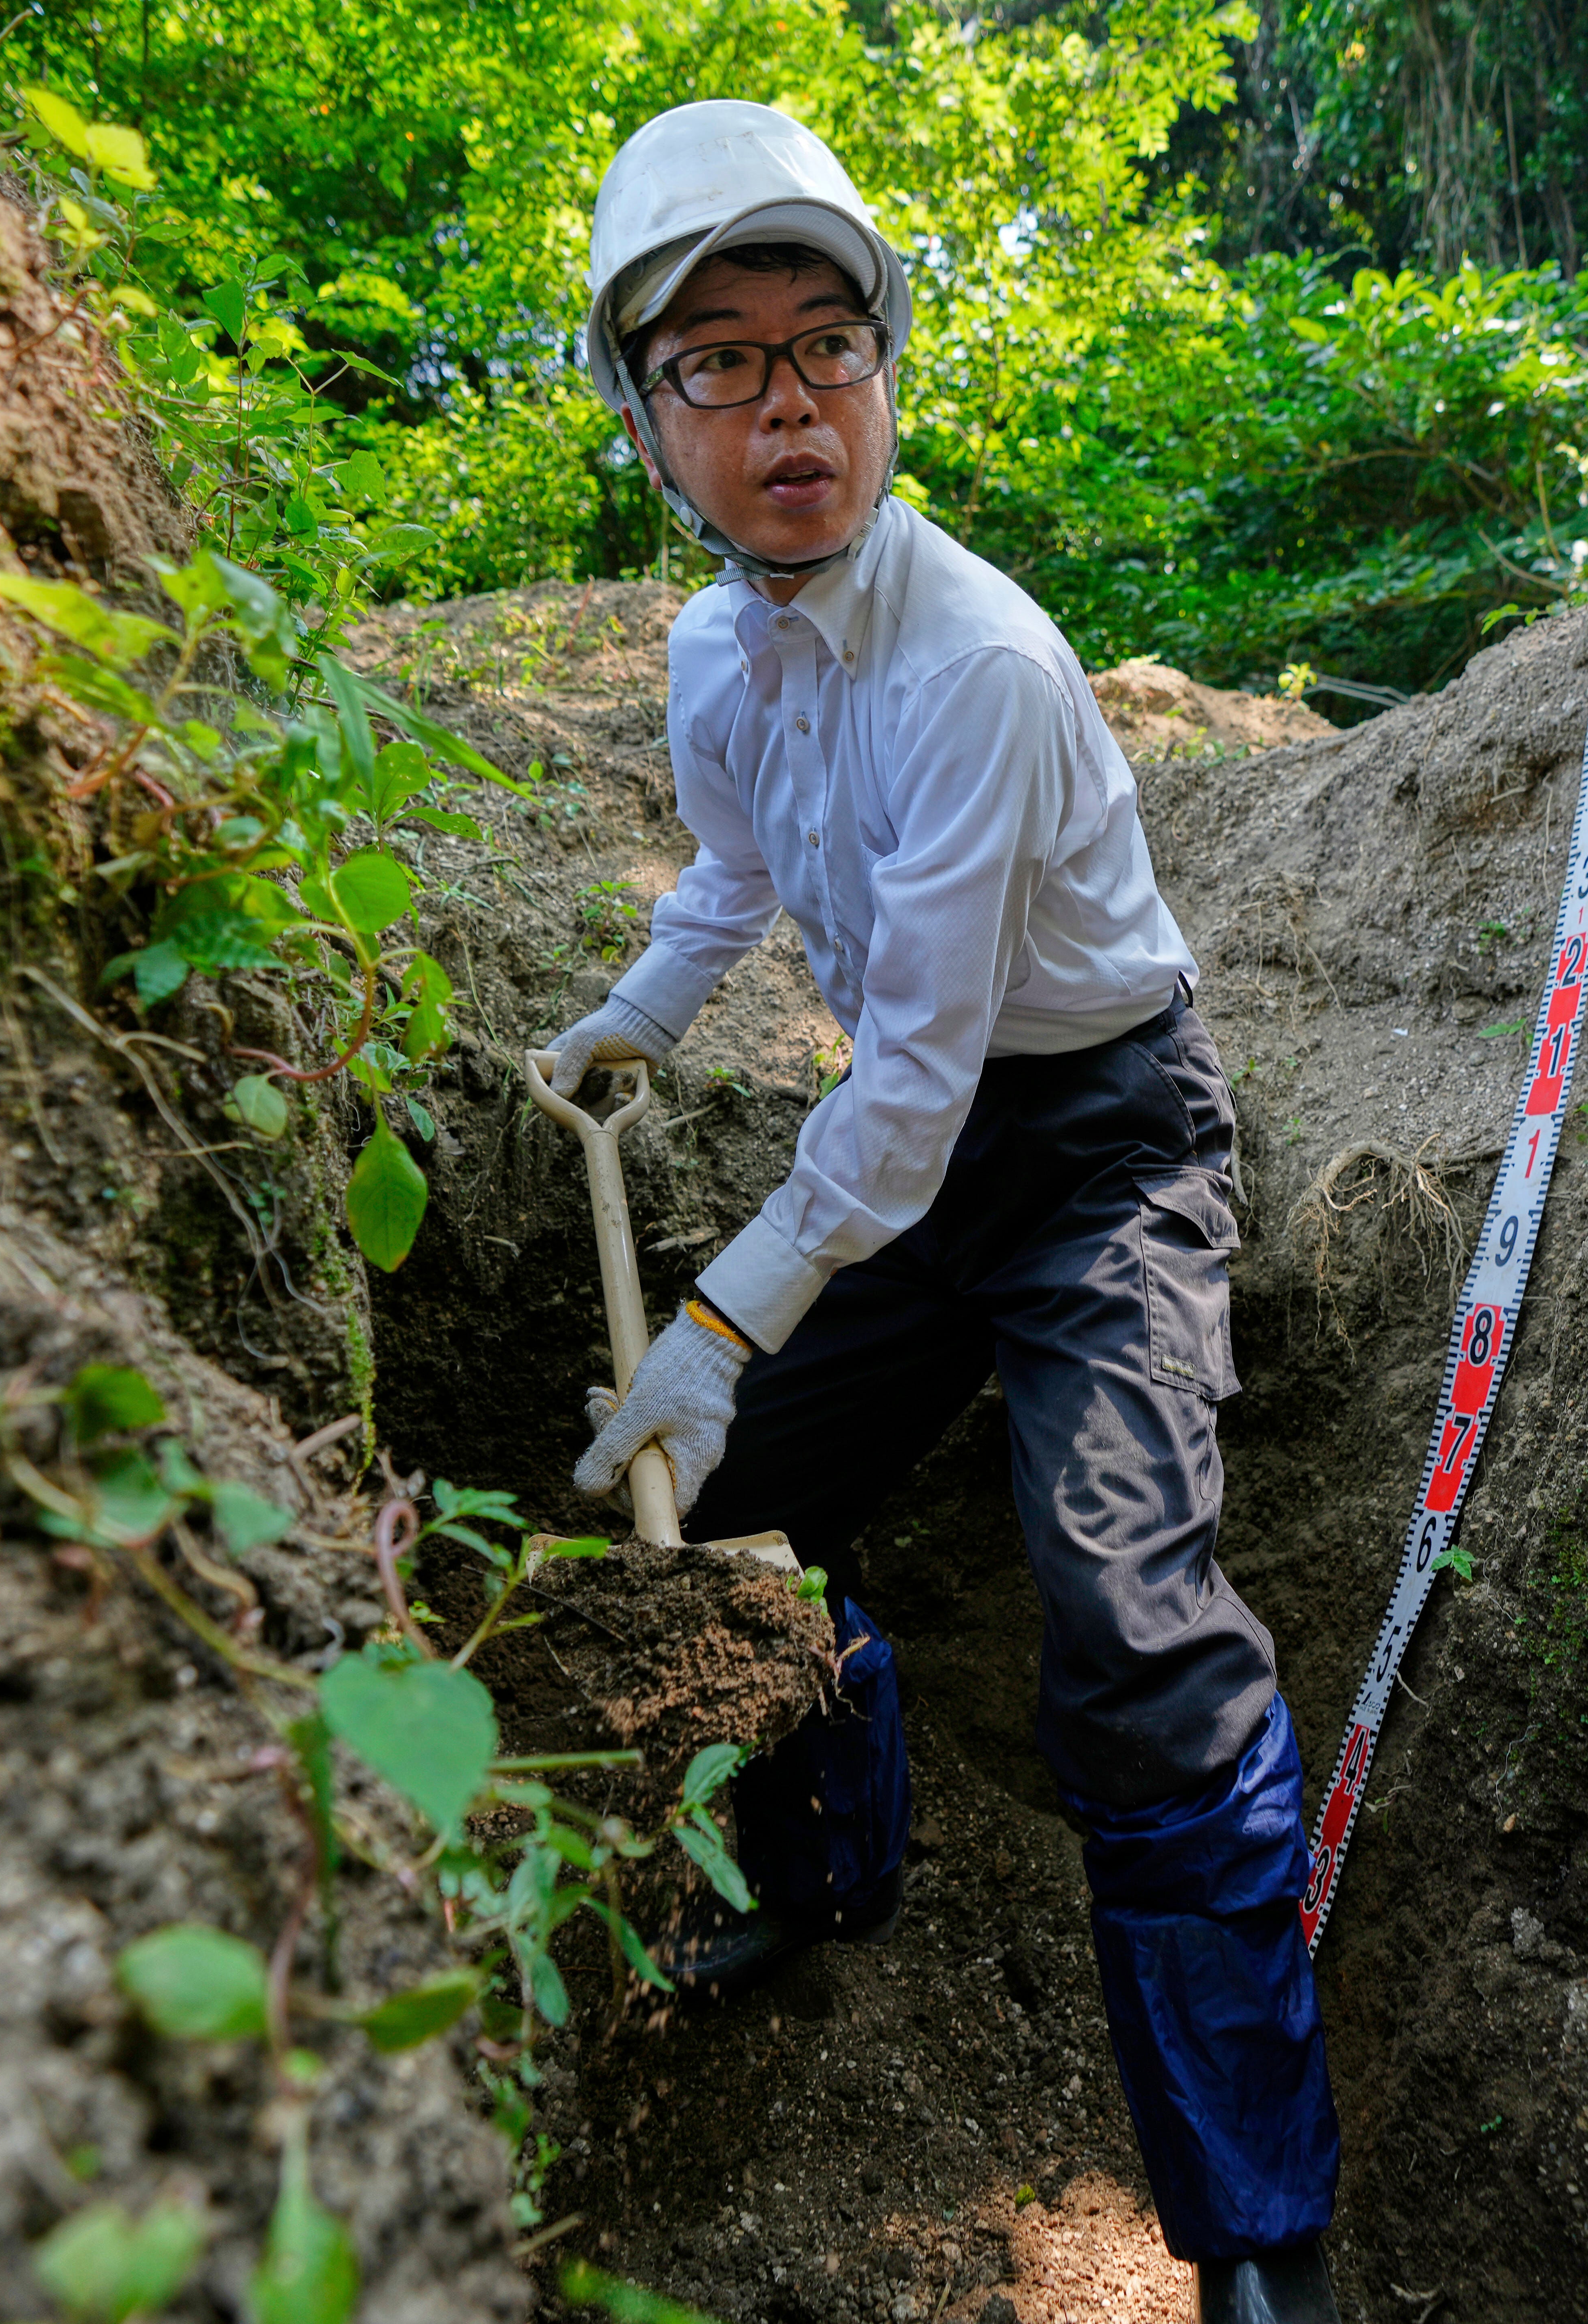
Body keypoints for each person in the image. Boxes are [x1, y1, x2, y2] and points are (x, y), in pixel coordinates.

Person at [538, 98, 1341, 2324]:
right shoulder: (717, 655)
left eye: (829, 346)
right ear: (649, 420)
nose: (788, 405)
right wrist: (633, 1019)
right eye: (718, 361)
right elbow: (733, 875)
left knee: (1133, 1629)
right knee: (728, 1513)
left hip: (1095, 1147)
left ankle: (1260, 2241)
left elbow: (904, 1094)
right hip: (924, 1155)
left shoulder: (981, 663)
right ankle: (830, 1861)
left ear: (891, 372)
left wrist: (716, 1309)